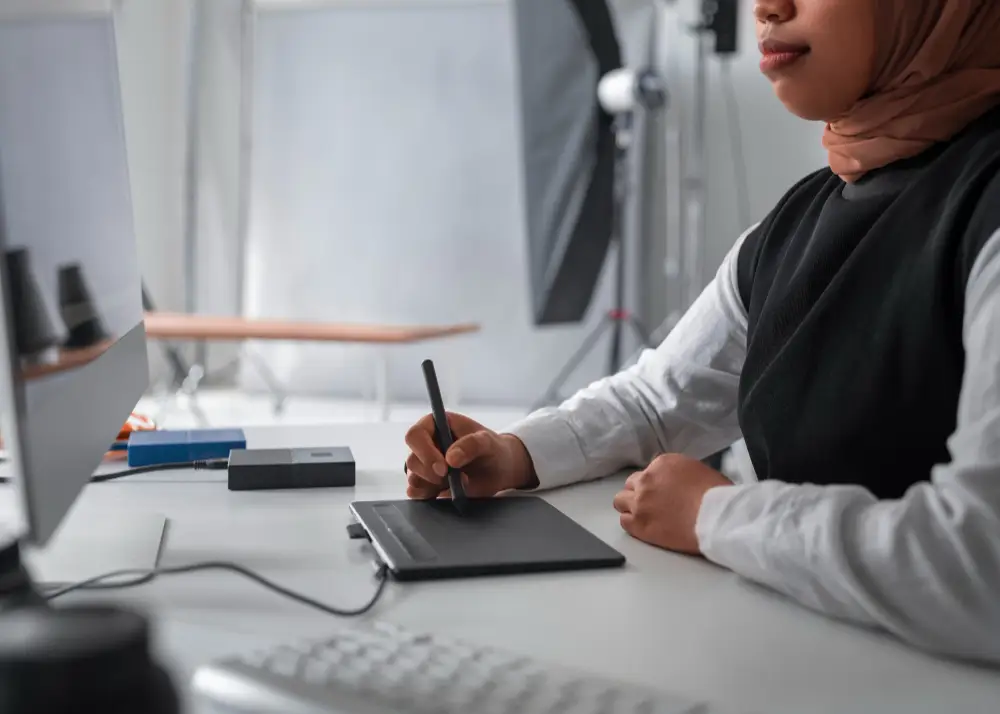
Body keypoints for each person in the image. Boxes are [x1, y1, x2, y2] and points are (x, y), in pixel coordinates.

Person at [404, 0, 1000, 664]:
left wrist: (716, 518)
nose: (767, 8)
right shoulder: (796, 221)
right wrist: (514, 454)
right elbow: (657, 402)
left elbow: (984, 565)